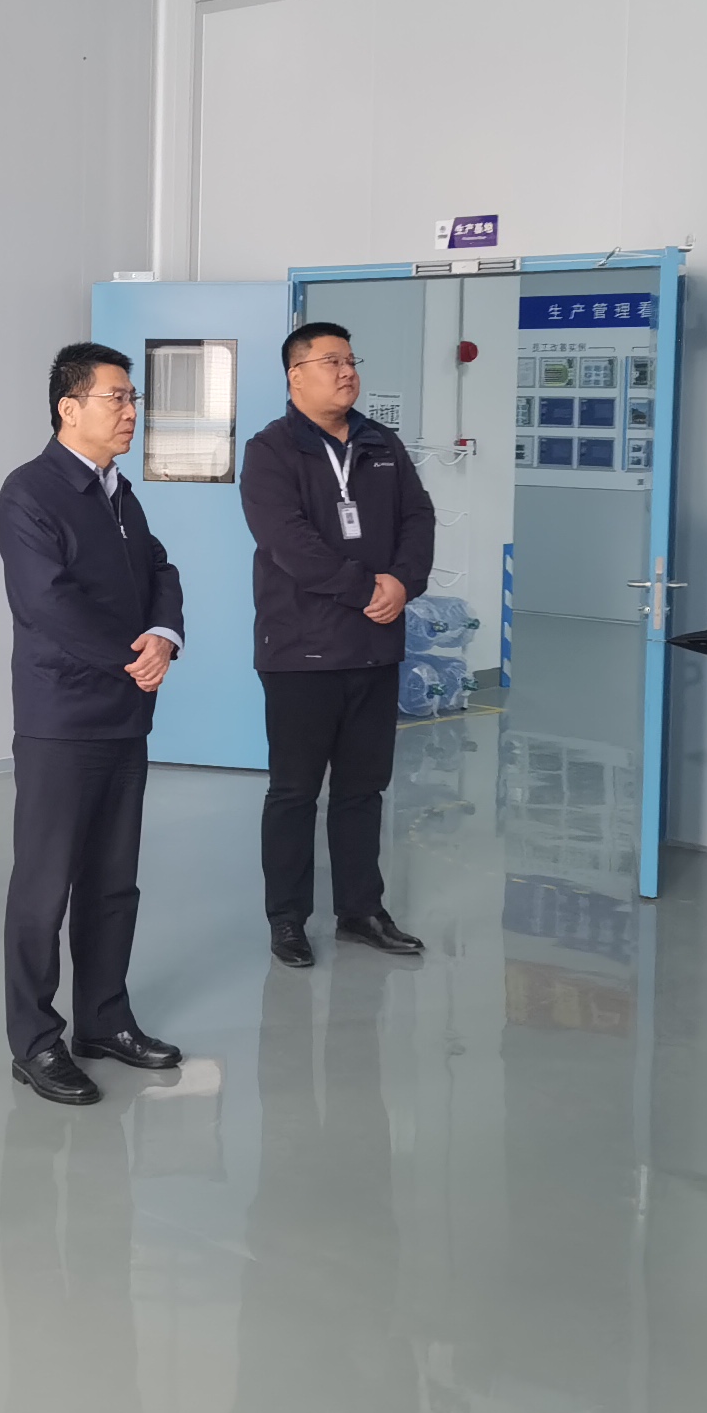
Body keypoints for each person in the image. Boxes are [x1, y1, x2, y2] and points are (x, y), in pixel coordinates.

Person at [0, 342, 189, 1105]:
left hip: (123, 717)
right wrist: (131, 658)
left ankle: (104, 1020)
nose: (131, 411)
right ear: (68, 408)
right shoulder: (30, 493)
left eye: (133, 398)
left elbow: (161, 568)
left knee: (113, 884)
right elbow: (47, 603)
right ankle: (35, 1041)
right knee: (43, 889)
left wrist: (163, 635)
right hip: (61, 720)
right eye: (117, 397)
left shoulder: (119, 493)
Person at [240, 320, 437, 967]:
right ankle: (287, 920)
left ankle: (360, 910)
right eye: (332, 361)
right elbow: (288, 542)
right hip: (301, 651)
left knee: (363, 790)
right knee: (294, 792)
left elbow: (419, 517)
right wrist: (364, 588)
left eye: (351, 361)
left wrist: (403, 582)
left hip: (375, 647)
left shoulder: (382, 444)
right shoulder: (271, 451)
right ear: (295, 375)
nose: (347, 372)